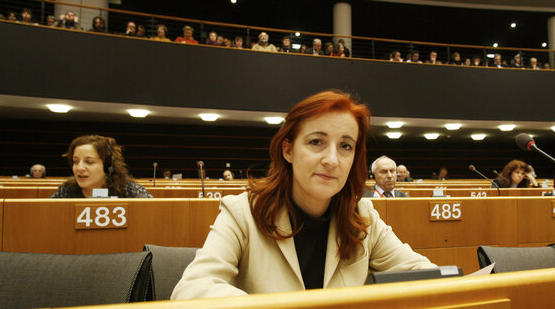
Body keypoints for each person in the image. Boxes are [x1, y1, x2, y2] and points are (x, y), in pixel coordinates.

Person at [171, 91, 436, 298]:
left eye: (345, 146)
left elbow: (427, 276)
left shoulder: (363, 216)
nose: (331, 160)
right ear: (288, 150)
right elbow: (192, 289)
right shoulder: (242, 212)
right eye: (316, 142)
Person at [50, 135, 152, 198]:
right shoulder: (66, 191)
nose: (79, 168)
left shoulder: (130, 190)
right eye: (75, 162)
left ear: (107, 165)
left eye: (89, 162)